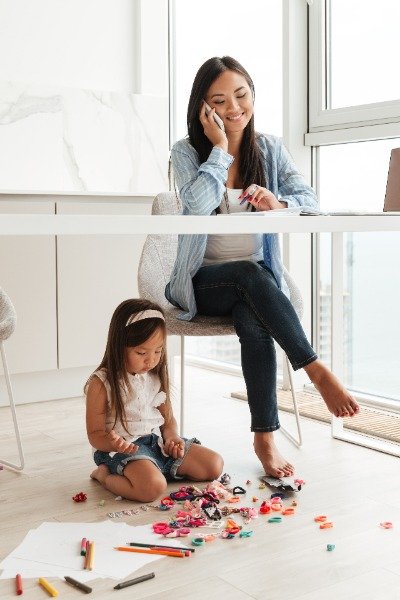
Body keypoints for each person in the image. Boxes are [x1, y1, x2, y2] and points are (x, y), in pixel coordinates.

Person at [165, 56, 359, 478]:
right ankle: (313, 367)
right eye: (219, 100)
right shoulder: (186, 152)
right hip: (203, 283)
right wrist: (217, 152)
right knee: (247, 275)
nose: (233, 107)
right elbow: (194, 207)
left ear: (253, 95)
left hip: (256, 287)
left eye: (241, 94)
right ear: (203, 108)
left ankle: (264, 438)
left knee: (253, 320)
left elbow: (312, 202)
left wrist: (280, 203)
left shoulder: (268, 149)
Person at [86, 298, 223, 502]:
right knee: (152, 488)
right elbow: (95, 435)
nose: (151, 360)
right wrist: (114, 443)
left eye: (158, 351)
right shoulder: (101, 383)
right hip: (123, 450)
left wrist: (172, 438)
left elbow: (168, 421)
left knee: (214, 464)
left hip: (155, 445)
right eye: (141, 352)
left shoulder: (155, 376)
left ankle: (157, 468)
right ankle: (106, 477)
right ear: (118, 345)